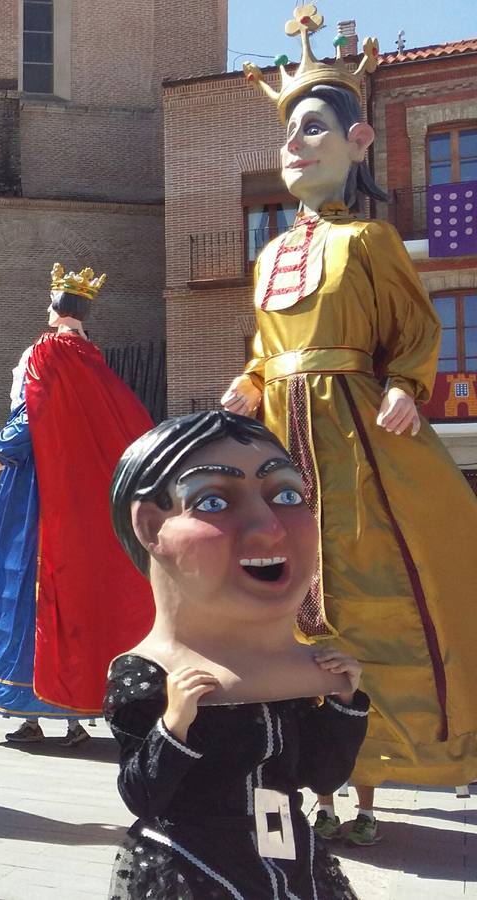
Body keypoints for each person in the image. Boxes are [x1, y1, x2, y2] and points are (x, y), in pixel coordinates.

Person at [226, 10, 477, 845]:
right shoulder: (268, 256)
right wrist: (247, 384)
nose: (296, 145)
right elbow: (266, 351)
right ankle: (308, 789)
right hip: (282, 446)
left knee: (378, 594)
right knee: (287, 598)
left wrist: (407, 386)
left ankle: (370, 789)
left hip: (358, 443)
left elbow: (413, 331)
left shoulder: (371, 240)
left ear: (359, 140)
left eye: (313, 128)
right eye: (288, 132)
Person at [104, 410, 369, 896]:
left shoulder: (299, 669)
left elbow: (323, 773)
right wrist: (174, 726)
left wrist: (344, 704)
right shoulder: (145, 673)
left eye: (287, 496)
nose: (269, 527)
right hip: (192, 867)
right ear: (149, 525)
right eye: (213, 501)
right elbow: (142, 796)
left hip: (293, 858)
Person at [0, 263, 155, 749]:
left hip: (37, 493)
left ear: (54, 308)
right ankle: (63, 714)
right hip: (78, 494)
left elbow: (31, 418)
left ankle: (40, 710)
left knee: (30, 594)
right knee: (71, 599)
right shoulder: (92, 357)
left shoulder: (46, 351)